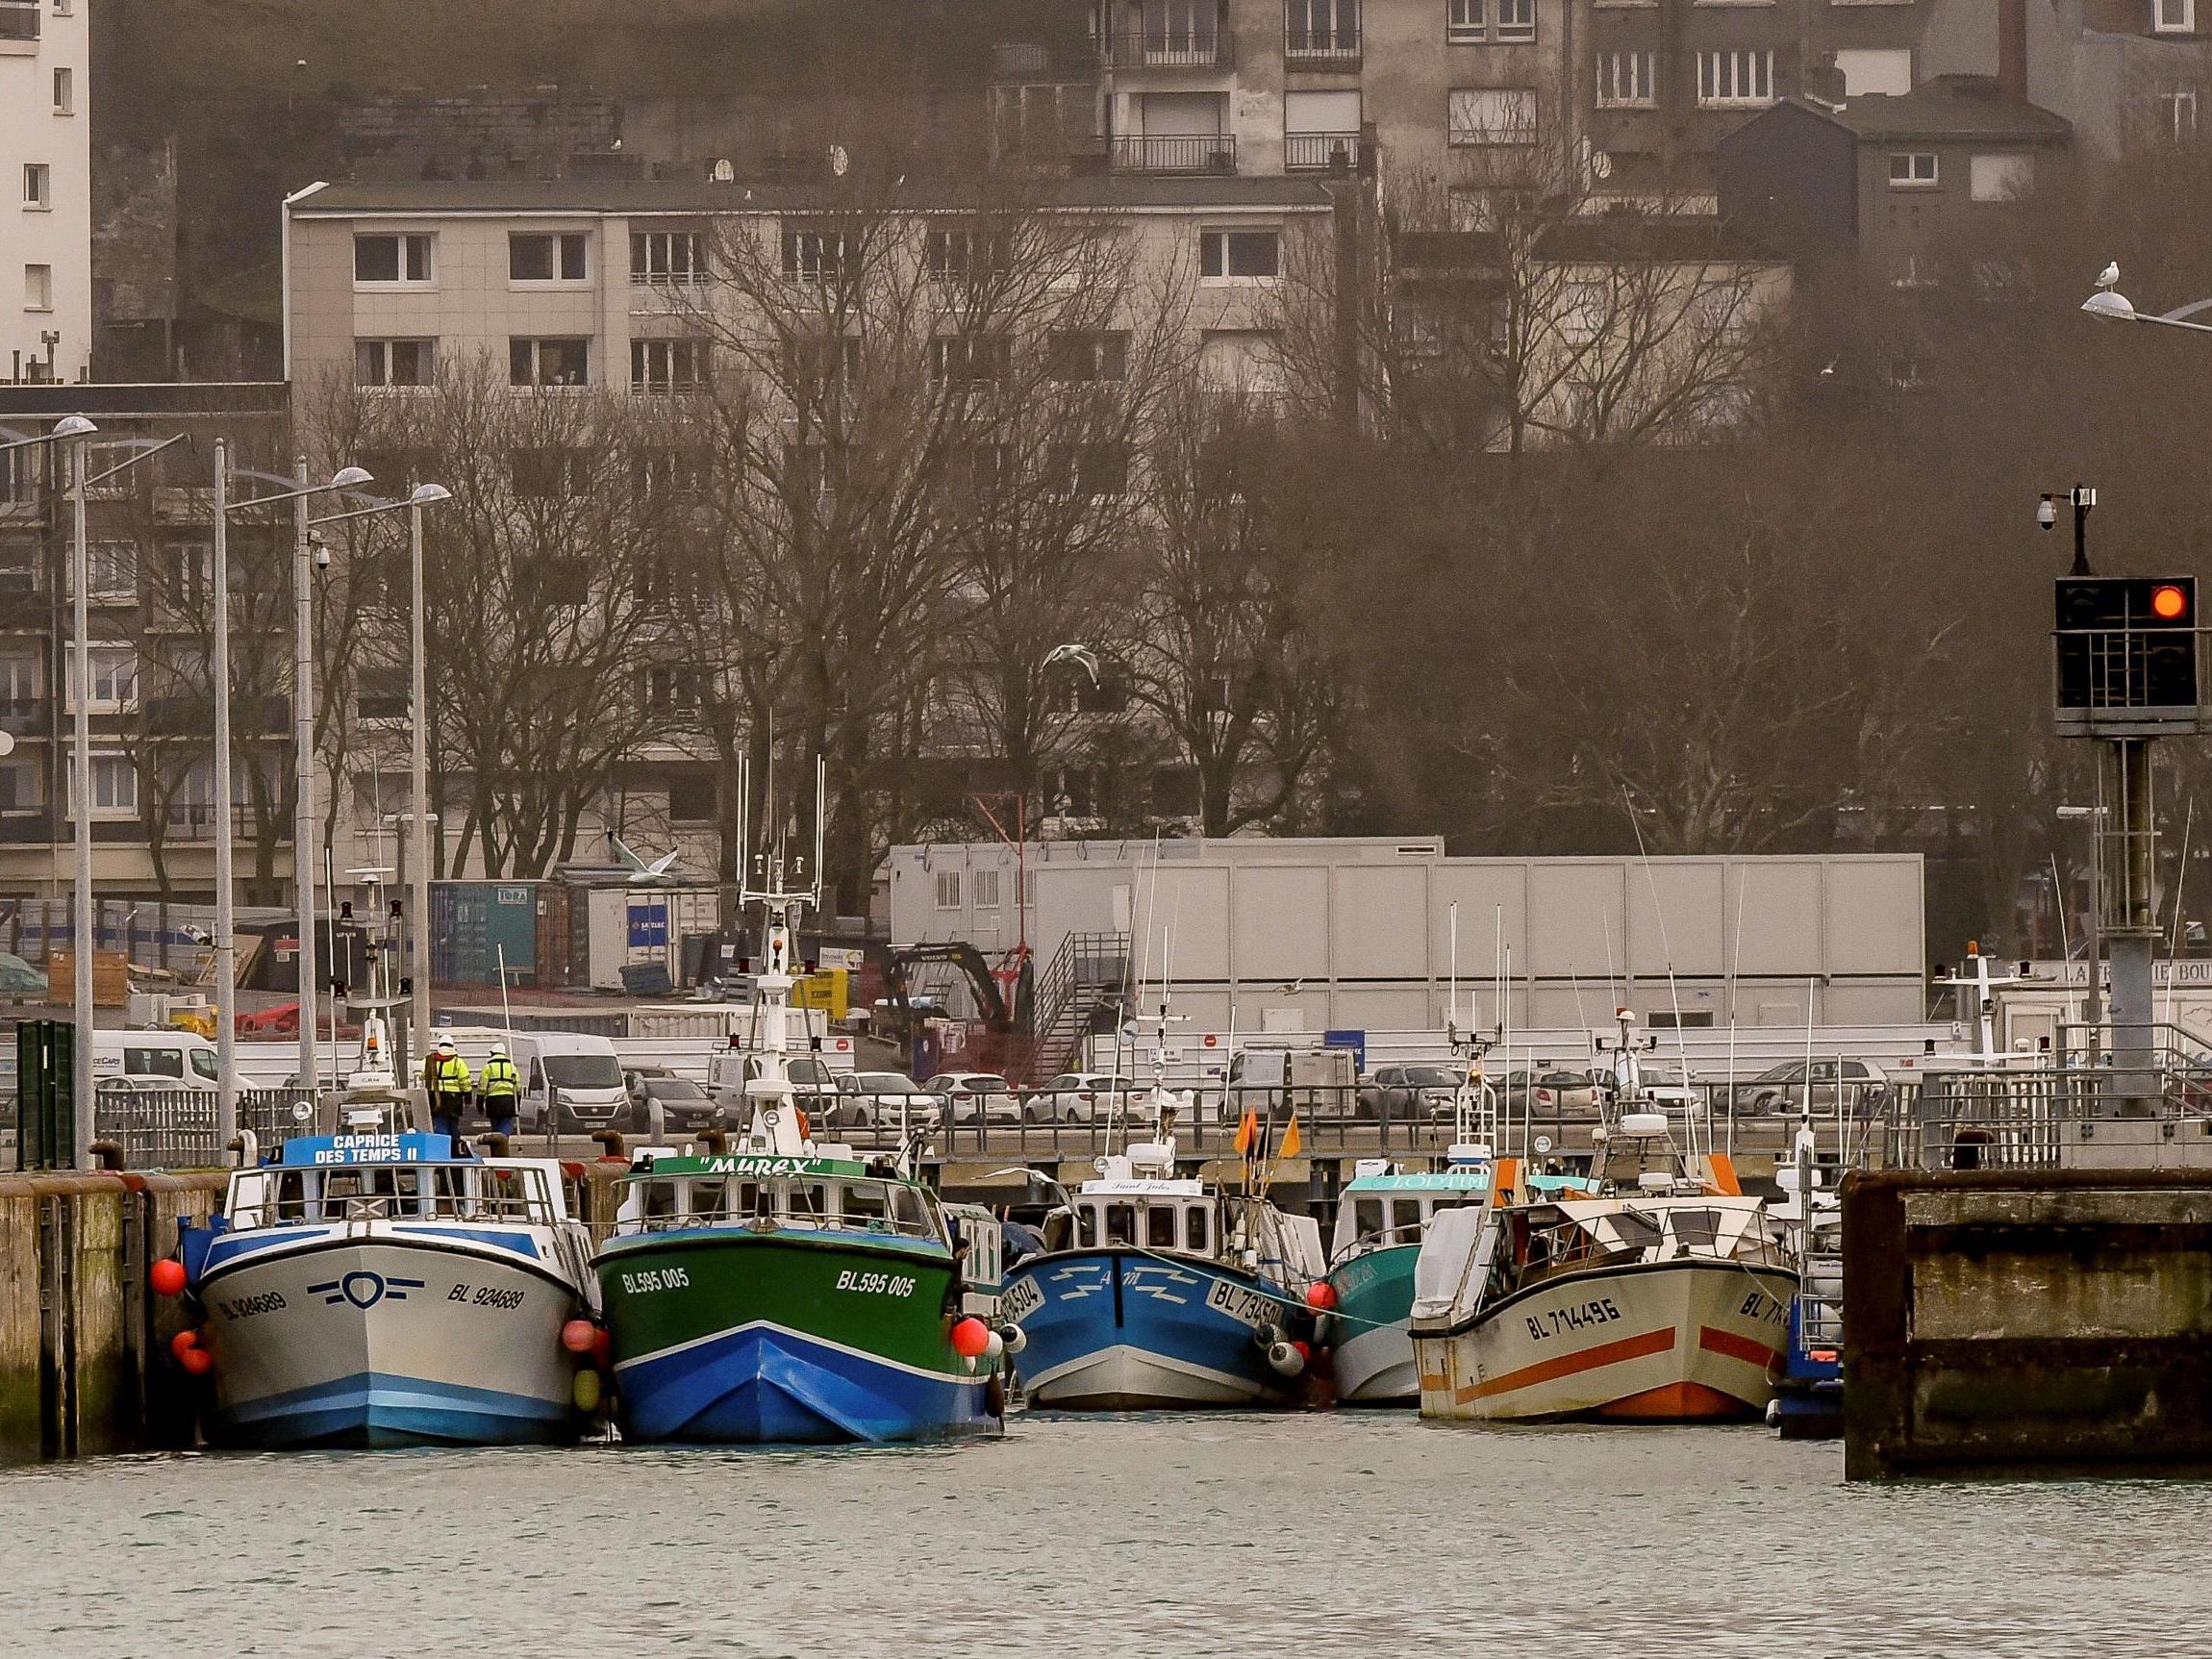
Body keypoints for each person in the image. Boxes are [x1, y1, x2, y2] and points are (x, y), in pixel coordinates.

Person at [424, 1039, 473, 1140]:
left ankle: (442, 1149)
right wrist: (468, 1098)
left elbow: (424, 1076)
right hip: (454, 1099)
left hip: (437, 1099)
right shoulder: (458, 1062)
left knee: (440, 1125)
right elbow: (465, 1082)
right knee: (453, 1125)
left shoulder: (432, 1061)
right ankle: (454, 1148)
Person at [477, 1043, 520, 1138]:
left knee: (495, 1128)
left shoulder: (488, 1067)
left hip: (493, 1102)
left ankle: (496, 1148)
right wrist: (518, 1104)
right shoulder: (512, 1068)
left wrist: (479, 1105)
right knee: (505, 1126)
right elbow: (518, 1088)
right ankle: (503, 1145)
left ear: (492, 1053)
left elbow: (482, 1088)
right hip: (508, 1101)